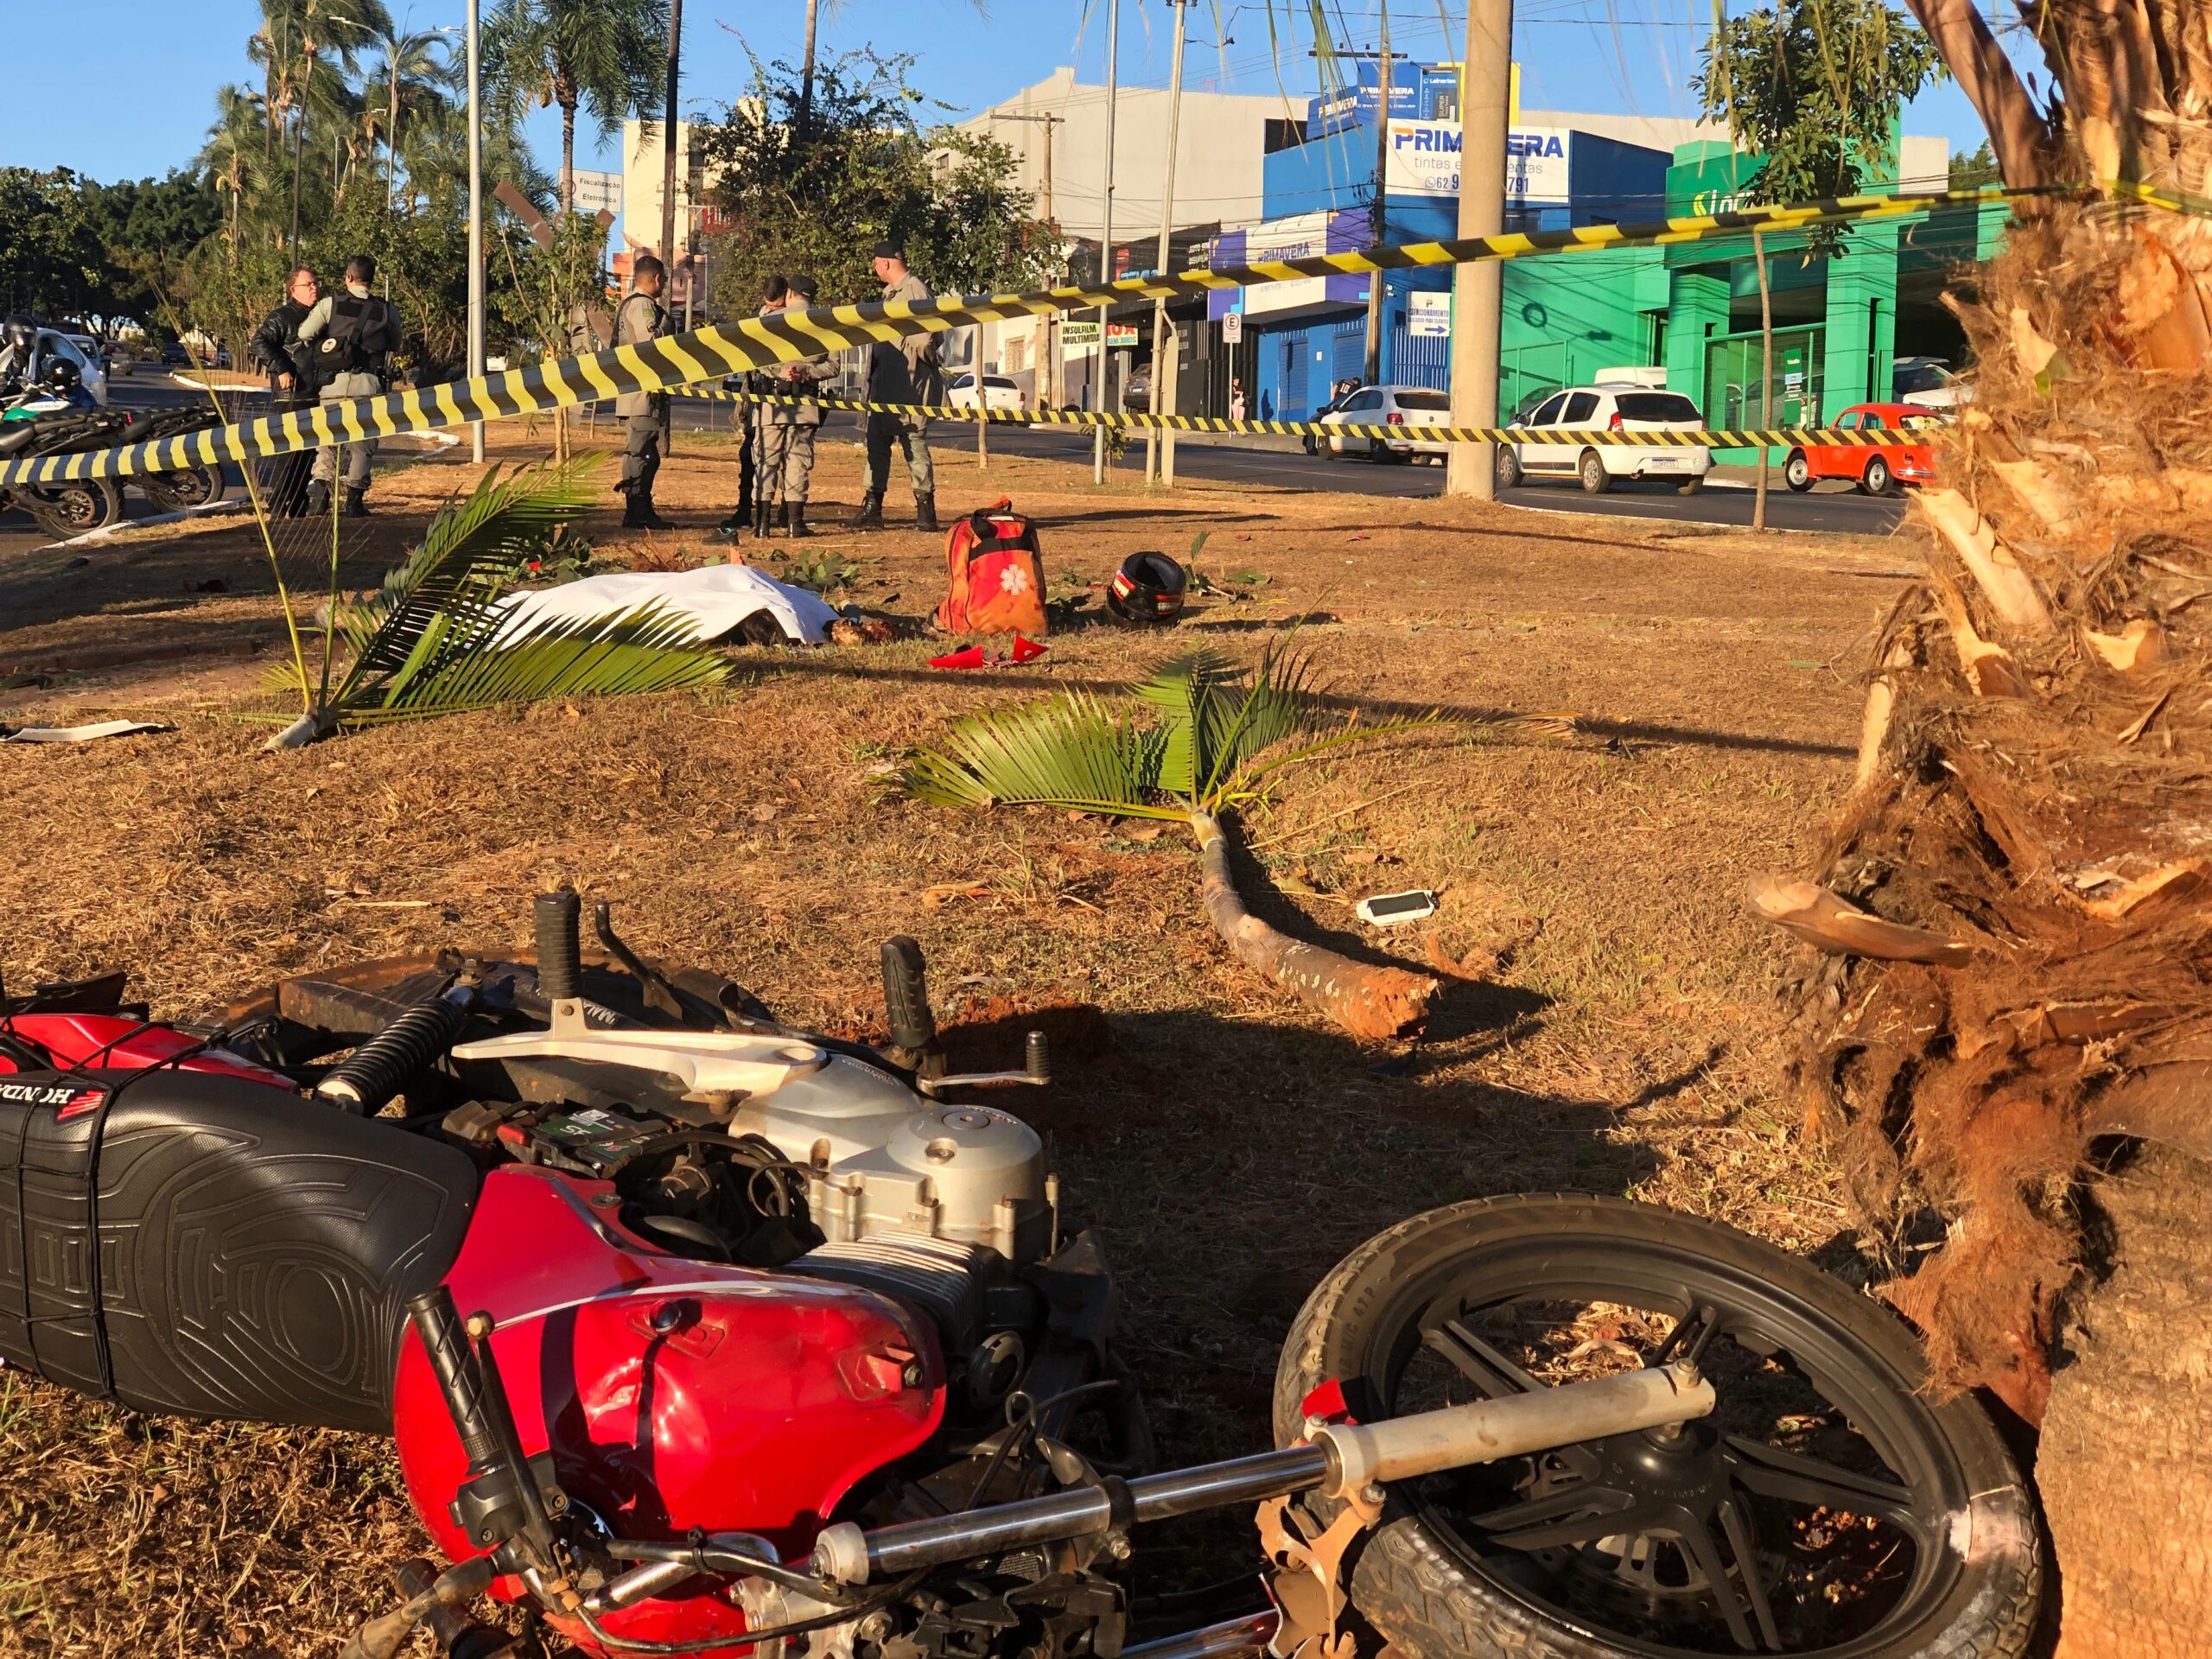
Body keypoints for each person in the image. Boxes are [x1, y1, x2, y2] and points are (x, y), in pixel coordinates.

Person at [851, 239, 942, 532]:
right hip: (885, 387)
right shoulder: (891, 294)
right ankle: (872, 507)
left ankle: (925, 511)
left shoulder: (914, 291)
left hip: (908, 389)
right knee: (876, 444)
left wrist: (919, 371)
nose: (875, 268)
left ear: (886, 263)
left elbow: (927, 341)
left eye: (876, 263)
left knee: (914, 446)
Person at [296, 254, 396, 517]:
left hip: (333, 384)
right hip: (369, 385)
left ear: (348, 277)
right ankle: (354, 502)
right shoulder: (386, 309)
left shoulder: (330, 304)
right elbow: (395, 341)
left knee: (327, 441)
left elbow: (304, 334)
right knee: (363, 444)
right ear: (371, 280)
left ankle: (319, 498)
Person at [748, 274, 835, 539]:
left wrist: (781, 370)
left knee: (766, 461)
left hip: (772, 402)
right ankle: (795, 524)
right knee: (798, 462)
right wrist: (806, 371)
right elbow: (834, 366)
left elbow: (757, 359)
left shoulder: (771, 321)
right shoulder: (826, 324)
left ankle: (761, 524)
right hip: (805, 401)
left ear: (789, 294)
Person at [717, 275, 788, 539]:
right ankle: (745, 509)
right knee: (749, 456)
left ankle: (783, 510)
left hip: (780, 399)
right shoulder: (754, 320)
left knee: (783, 456)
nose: (771, 309)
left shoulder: (790, 320)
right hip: (755, 396)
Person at [251, 266, 320, 517]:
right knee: (289, 455)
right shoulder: (282, 316)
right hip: (290, 397)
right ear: (294, 290)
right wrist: (281, 368)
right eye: (309, 284)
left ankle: (299, 505)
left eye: (316, 284)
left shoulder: (318, 316)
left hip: (314, 394)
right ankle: (278, 508)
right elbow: (258, 342)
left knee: (308, 455)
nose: (315, 288)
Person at [613, 254, 673, 530]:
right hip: (642, 394)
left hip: (638, 391)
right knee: (641, 453)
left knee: (647, 452)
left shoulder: (631, 304)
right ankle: (637, 510)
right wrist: (667, 326)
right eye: (664, 279)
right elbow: (651, 345)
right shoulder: (643, 307)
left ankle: (641, 508)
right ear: (656, 278)